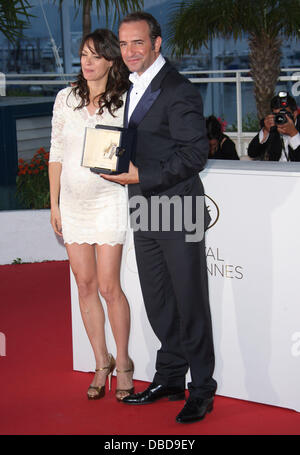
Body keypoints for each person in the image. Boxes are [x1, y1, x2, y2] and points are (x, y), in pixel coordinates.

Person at [101, 12, 217, 423]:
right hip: (143, 205)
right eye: (124, 44)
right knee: (158, 301)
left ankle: (202, 389)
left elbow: (194, 155)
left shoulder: (179, 89)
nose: (129, 51)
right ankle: (170, 376)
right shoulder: (129, 86)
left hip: (177, 207)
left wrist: (141, 175)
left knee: (190, 302)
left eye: (138, 43)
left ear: (156, 43)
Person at [48, 29, 134, 402]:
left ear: (111, 62)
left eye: (95, 56)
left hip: (109, 201)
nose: (87, 62)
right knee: (84, 285)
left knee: (108, 286)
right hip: (72, 203)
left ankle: (126, 364)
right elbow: (55, 152)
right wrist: (53, 204)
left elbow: (137, 149)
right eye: (83, 54)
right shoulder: (65, 99)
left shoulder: (126, 100)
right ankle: (103, 362)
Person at [248, 93, 300, 161]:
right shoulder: (273, 127)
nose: (280, 118)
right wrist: (265, 131)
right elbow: (252, 153)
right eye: (277, 114)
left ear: (295, 114)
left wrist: (293, 133)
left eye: (285, 114)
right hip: (275, 170)